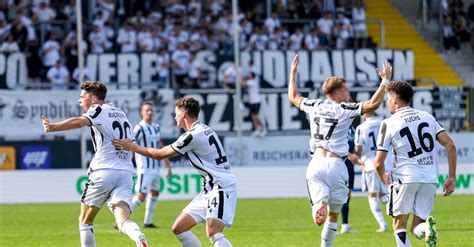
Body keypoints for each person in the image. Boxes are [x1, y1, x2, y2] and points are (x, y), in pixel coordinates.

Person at [287, 54, 392, 247]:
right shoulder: (344, 108)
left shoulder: (314, 105)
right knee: (334, 214)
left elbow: (293, 97)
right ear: (336, 94)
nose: (348, 93)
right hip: (337, 165)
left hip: (316, 164)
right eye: (345, 90)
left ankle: (319, 206)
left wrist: (293, 73)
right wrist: (385, 81)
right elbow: (373, 104)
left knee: (319, 203)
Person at [113, 97, 237, 247]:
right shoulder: (204, 129)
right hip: (209, 189)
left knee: (214, 232)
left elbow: (159, 154)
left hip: (221, 186)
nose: (174, 117)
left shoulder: (192, 136)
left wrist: (131, 146)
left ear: (184, 113)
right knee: (179, 228)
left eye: (176, 113)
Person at [41, 81, 148, 247]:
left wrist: (53, 127)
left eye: (82, 97)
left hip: (104, 170)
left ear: (92, 98)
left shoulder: (97, 109)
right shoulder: (120, 113)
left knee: (85, 220)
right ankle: (139, 238)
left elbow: (79, 122)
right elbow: (130, 146)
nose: (79, 101)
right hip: (126, 172)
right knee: (123, 220)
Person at [374, 81, 457, 247]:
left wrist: (382, 176)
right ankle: (426, 229)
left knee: (399, 226)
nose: (388, 103)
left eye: (388, 99)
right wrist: (452, 177)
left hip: (405, 178)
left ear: (396, 99)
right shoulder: (427, 116)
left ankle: (426, 230)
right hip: (429, 179)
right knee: (416, 228)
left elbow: (378, 162)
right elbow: (451, 145)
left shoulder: (388, 123)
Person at [130, 101, 172, 228]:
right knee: (141, 196)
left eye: (151, 110)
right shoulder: (139, 128)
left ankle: (148, 222)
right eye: (147, 110)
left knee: (155, 193)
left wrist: (168, 166)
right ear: (142, 112)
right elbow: (130, 145)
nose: (149, 112)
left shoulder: (156, 127)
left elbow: (160, 146)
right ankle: (122, 217)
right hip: (144, 168)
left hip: (155, 168)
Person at [354, 112, 390, 233]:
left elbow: (358, 148)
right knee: (384, 194)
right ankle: (402, 208)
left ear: (364, 115)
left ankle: (383, 225)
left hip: (370, 164)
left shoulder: (361, 127)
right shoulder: (384, 123)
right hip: (386, 163)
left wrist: (357, 158)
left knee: (372, 195)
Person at [242, 72, 266, 137]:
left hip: (256, 101)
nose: (248, 75)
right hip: (253, 101)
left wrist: (240, 77)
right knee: (253, 116)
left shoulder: (252, 82)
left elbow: (243, 83)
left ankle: (262, 127)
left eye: (249, 75)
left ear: (252, 76)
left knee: (254, 116)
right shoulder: (251, 81)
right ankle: (258, 129)